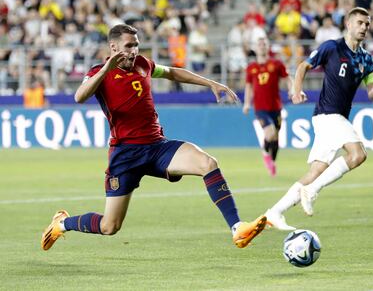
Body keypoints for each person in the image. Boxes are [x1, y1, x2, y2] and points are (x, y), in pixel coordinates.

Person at [41, 24, 266, 251]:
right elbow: (80, 96)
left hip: (157, 147)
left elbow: (171, 72)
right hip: (126, 153)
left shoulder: (142, 64)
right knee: (110, 226)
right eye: (128, 46)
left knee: (208, 163)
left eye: (136, 45)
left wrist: (210, 83)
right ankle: (62, 223)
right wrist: (105, 69)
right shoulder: (99, 72)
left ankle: (237, 227)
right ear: (113, 47)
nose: (134, 51)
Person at [263, 7, 373, 230]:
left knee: (316, 170)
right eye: (360, 23)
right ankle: (311, 190)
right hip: (328, 115)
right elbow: (303, 66)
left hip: (330, 118)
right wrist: (296, 90)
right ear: (348, 24)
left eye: (367, 24)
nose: (364, 28)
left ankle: (275, 212)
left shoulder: (366, 60)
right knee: (358, 154)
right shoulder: (332, 47)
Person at [243, 37, 293, 177]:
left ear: (268, 47)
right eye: (259, 44)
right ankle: (265, 153)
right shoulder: (251, 68)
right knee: (269, 133)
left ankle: (272, 161)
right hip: (260, 107)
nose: (262, 47)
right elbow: (248, 87)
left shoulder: (276, 64)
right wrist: (247, 103)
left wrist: (292, 90)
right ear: (256, 48)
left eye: (264, 44)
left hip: (276, 107)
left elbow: (287, 78)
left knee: (275, 138)